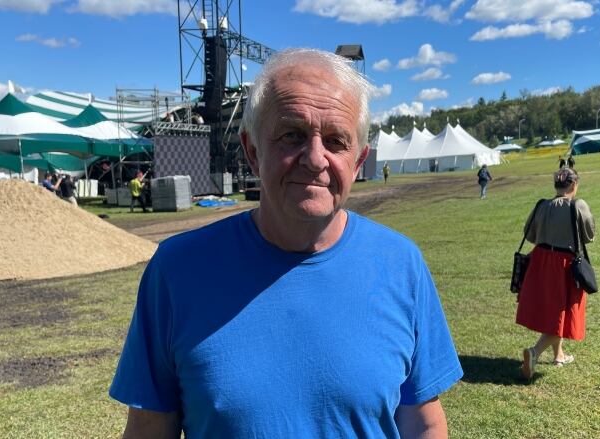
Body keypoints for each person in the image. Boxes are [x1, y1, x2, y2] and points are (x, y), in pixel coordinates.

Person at [110, 48, 463, 438]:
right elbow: (148, 428)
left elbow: (423, 422)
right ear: (252, 149)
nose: (315, 158)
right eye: (292, 135)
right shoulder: (178, 271)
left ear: (359, 160)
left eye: (335, 140)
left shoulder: (401, 265)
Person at [516, 167, 595, 380]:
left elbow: (529, 233)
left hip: (540, 261)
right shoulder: (578, 205)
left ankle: (559, 355)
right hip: (564, 264)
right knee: (564, 311)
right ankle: (534, 353)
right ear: (573, 184)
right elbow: (589, 235)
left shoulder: (541, 205)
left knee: (555, 311)